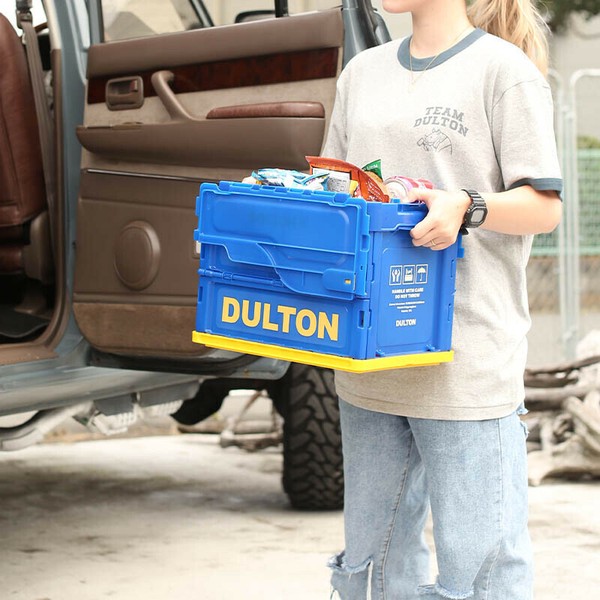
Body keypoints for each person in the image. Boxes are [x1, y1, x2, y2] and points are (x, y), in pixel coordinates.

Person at [323, 0, 563, 598]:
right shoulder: (361, 73)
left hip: (465, 361)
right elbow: (338, 193)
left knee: (480, 570)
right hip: (369, 359)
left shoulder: (503, 72)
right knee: (374, 559)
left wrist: (467, 206)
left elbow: (544, 207)